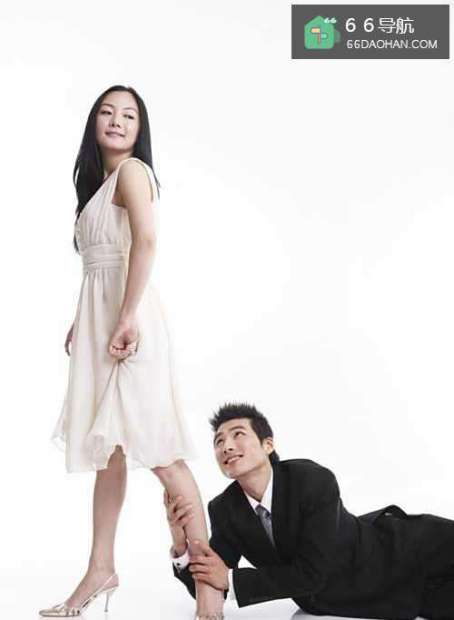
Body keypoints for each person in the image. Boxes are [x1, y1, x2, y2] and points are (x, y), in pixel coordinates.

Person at [39, 85, 224, 620]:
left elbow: (145, 242)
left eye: (129, 115)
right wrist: (85, 319)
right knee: (111, 456)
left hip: (131, 326)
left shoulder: (133, 173)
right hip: (105, 322)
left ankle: (209, 587)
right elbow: (105, 262)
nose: (117, 121)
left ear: (141, 131)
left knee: (161, 452)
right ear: (93, 122)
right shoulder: (97, 185)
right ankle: (101, 568)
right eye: (107, 112)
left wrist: (124, 317)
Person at [167, 402, 454, 619]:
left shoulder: (312, 481)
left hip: (407, 550)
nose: (226, 446)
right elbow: (209, 584)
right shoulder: (225, 509)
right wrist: (181, 546)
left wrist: (230, 578)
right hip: (384, 597)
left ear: (268, 445)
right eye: (218, 441)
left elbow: (312, 573)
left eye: (237, 434)